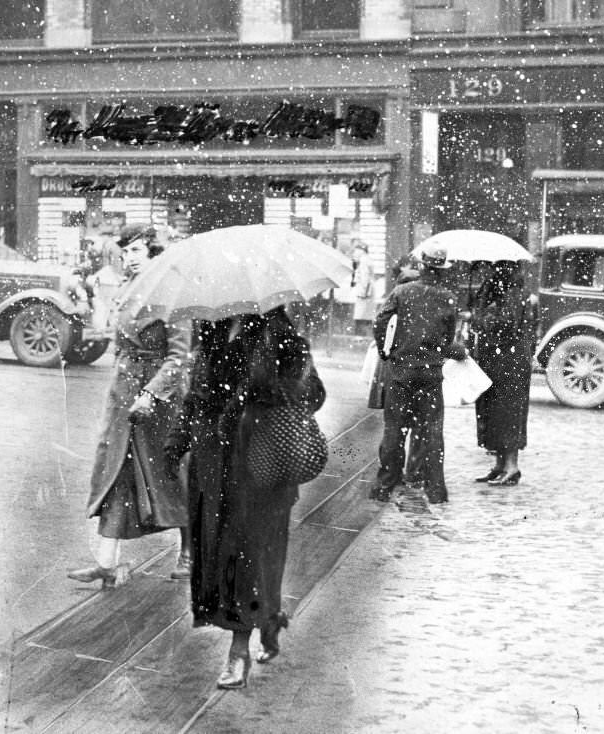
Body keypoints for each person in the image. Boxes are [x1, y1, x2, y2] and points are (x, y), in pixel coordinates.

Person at [165, 308, 325, 690]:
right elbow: (196, 397)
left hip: (260, 464)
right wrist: (176, 444)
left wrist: (264, 388)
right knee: (221, 556)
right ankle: (268, 619)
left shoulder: (280, 334)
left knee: (250, 555)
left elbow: (314, 393)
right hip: (213, 463)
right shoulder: (212, 330)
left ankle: (239, 652)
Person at [68, 224, 193, 587]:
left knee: (171, 475)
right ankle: (107, 562)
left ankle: (189, 550)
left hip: (161, 401)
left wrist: (152, 393)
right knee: (115, 472)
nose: (129, 258)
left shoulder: (175, 295)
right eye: (126, 251)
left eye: (137, 251)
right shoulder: (127, 290)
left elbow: (179, 359)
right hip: (123, 394)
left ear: (156, 254)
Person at [371, 244, 468, 504]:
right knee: (432, 433)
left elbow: (380, 321)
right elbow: (448, 341)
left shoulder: (402, 292)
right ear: (442, 271)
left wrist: (386, 350)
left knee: (394, 430)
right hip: (430, 375)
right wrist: (437, 352)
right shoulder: (448, 298)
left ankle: (384, 486)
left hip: (401, 371)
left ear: (422, 267)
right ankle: (436, 490)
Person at [469, 260, 537, 486]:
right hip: (496, 359)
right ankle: (499, 465)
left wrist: (479, 317)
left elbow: (506, 321)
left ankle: (511, 466)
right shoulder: (493, 288)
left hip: (510, 361)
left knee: (507, 413)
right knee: (492, 412)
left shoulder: (514, 292)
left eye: (488, 266)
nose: (484, 270)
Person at [351, 241, 375, 337]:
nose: (355, 252)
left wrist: (363, 293)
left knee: (361, 315)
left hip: (364, 293)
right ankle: (365, 336)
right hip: (367, 292)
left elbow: (365, 278)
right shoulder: (367, 259)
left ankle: (360, 337)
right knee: (366, 315)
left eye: (356, 250)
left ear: (362, 250)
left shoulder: (364, 260)